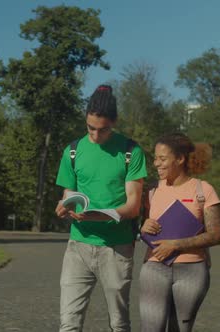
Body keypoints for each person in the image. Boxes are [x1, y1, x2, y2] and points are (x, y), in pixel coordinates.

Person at [55, 84, 147, 332]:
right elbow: (68, 193)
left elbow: (133, 205)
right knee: (69, 323)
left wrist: (98, 216)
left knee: (118, 323)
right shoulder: (72, 150)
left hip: (116, 249)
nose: (95, 136)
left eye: (103, 130)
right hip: (78, 246)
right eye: (90, 128)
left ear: (114, 122)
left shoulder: (131, 151)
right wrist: (65, 205)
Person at [139, 133, 220, 332]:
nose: (156, 164)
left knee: (180, 329)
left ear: (179, 159)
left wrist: (176, 244)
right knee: (150, 328)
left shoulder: (204, 190)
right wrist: (143, 226)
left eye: (162, 159)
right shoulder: (151, 191)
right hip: (154, 268)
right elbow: (143, 227)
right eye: (155, 158)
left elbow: (215, 235)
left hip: (192, 272)